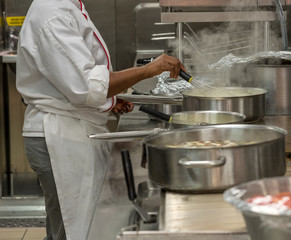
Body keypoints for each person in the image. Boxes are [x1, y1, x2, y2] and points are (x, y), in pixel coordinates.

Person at [16, 0, 185, 239]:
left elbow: (71, 79)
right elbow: (86, 87)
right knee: (74, 228)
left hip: (70, 128)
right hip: (59, 135)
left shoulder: (68, 6)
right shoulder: (52, 12)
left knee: (66, 225)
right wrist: (149, 70)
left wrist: (110, 101)